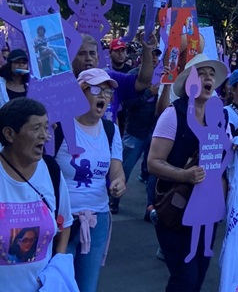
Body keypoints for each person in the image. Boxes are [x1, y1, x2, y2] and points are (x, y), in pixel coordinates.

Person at [147, 53, 228, 292]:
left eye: (211, 75)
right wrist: (185, 175)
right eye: (201, 73)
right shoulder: (172, 115)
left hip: (207, 212)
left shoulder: (221, 116)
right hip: (175, 210)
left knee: (199, 275)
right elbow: (153, 162)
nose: (208, 78)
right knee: (185, 279)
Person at [53, 68, 125, 292]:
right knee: (59, 284)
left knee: (87, 287)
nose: (103, 95)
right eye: (96, 89)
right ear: (79, 92)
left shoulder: (111, 130)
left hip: (97, 219)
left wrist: (118, 183)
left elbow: (117, 171)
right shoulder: (59, 127)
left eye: (107, 92)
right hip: (61, 220)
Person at [0, 97, 73, 291]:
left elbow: (64, 224)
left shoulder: (51, 171)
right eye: (36, 128)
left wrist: (57, 268)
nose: (46, 136)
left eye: (46, 127)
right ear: (9, 134)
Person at [110, 47, 162, 214]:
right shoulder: (134, 76)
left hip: (155, 131)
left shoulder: (163, 76)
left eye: (157, 55)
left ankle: (150, 207)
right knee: (124, 167)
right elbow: (127, 105)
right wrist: (148, 93)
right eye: (152, 54)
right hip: (135, 131)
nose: (154, 59)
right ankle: (114, 200)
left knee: (154, 171)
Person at [71, 33, 155, 123]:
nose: (88, 58)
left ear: (98, 58)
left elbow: (143, 82)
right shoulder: (62, 86)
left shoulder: (111, 79)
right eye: (82, 54)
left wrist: (147, 49)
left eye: (92, 53)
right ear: (72, 57)